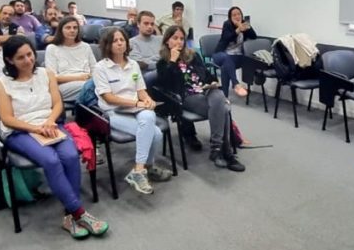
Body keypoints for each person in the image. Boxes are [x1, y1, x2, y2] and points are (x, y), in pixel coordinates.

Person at [0, 36, 108, 239]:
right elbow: (7, 118)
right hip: (20, 131)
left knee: (70, 156)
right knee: (51, 160)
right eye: (21, 57)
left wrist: (49, 121)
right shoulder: (3, 83)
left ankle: (69, 217)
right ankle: (79, 213)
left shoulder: (46, 73)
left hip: (51, 124)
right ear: (10, 60)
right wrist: (36, 128)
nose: (28, 60)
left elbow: (57, 104)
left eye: (30, 54)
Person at [93, 27, 171, 194]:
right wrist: (136, 103)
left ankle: (139, 170)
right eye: (115, 41)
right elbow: (108, 97)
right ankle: (146, 167)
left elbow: (141, 90)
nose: (119, 43)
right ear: (107, 44)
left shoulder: (133, 64)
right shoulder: (100, 67)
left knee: (149, 115)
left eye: (122, 40)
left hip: (135, 108)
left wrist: (147, 100)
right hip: (112, 112)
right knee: (156, 134)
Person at [157, 25, 245, 172]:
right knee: (223, 108)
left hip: (205, 92)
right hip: (186, 97)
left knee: (218, 96)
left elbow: (207, 75)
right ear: (167, 41)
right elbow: (165, 84)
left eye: (182, 38)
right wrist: (172, 61)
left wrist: (213, 82)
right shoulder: (162, 62)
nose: (179, 42)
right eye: (175, 38)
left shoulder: (193, 56)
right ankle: (225, 152)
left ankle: (217, 149)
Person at [130, 10, 202, 150]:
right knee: (158, 76)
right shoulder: (132, 42)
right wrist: (159, 61)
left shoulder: (160, 39)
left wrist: (159, 61)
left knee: (179, 84)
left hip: (167, 73)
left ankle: (188, 131)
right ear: (138, 24)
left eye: (152, 24)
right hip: (146, 79)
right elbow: (140, 64)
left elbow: (166, 58)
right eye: (146, 23)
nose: (149, 27)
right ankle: (158, 113)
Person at [45, 16, 96, 102]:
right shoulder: (52, 48)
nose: (72, 30)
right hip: (64, 85)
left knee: (100, 86)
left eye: (75, 28)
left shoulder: (85, 46)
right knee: (95, 87)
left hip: (88, 82)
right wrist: (79, 77)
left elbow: (95, 69)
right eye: (68, 28)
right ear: (61, 30)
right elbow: (53, 77)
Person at [212, 6, 257, 98]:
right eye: (234, 15)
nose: (237, 16)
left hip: (236, 56)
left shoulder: (244, 24)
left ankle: (225, 97)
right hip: (220, 54)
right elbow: (227, 38)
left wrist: (247, 27)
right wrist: (238, 30)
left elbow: (254, 36)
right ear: (230, 17)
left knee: (225, 66)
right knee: (226, 58)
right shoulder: (227, 24)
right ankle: (235, 83)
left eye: (239, 14)